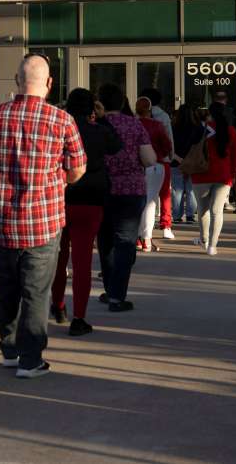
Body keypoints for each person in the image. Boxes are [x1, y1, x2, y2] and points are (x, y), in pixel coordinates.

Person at [0, 55, 86, 378]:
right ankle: (30, 358)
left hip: (3, 220)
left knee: (7, 288)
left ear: (16, 80)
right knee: (36, 292)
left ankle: (9, 347)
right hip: (43, 220)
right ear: (49, 83)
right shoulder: (61, 120)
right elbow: (77, 168)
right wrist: (55, 179)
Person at [51, 88, 122, 336]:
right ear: (92, 108)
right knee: (82, 262)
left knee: (59, 257)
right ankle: (79, 316)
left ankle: (58, 305)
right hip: (92, 199)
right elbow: (116, 145)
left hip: (62, 197)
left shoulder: (59, 130)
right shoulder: (99, 131)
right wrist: (101, 118)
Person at [95, 85, 154, 312]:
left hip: (102, 190)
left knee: (106, 241)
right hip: (130, 190)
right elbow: (149, 159)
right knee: (126, 242)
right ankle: (118, 296)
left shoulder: (97, 126)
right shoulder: (134, 125)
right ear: (122, 103)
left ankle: (110, 290)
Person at [191, 101, 236, 255]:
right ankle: (213, 246)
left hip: (200, 174)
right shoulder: (231, 131)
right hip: (223, 175)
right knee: (216, 211)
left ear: (209, 113)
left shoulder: (201, 129)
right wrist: (232, 175)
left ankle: (204, 240)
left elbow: (190, 149)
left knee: (202, 210)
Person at [136, 97, 172, 251]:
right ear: (150, 110)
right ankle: (147, 239)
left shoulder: (133, 124)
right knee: (151, 202)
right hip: (155, 165)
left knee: (139, 203)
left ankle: (139, 238)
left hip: (136, 167)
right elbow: (167, 145)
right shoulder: (157, 125)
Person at [142, 88, 175, 239]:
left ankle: (144, 228)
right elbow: (168, 138)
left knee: (146, 196)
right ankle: (166, 225)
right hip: (161, 160)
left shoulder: (136, 120)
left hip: (142, 161)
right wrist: (171, 154)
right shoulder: (163, 117)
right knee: (165, 194)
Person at [171, 104, 204, 224]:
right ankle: (190, 215)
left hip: (176, 161)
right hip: (193, 161)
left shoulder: (173, 126)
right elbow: (201, 145)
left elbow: (170, 144)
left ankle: (176, 216)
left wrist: (177, 158)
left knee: (176, 190)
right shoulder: (198, 128)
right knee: (191, 190)